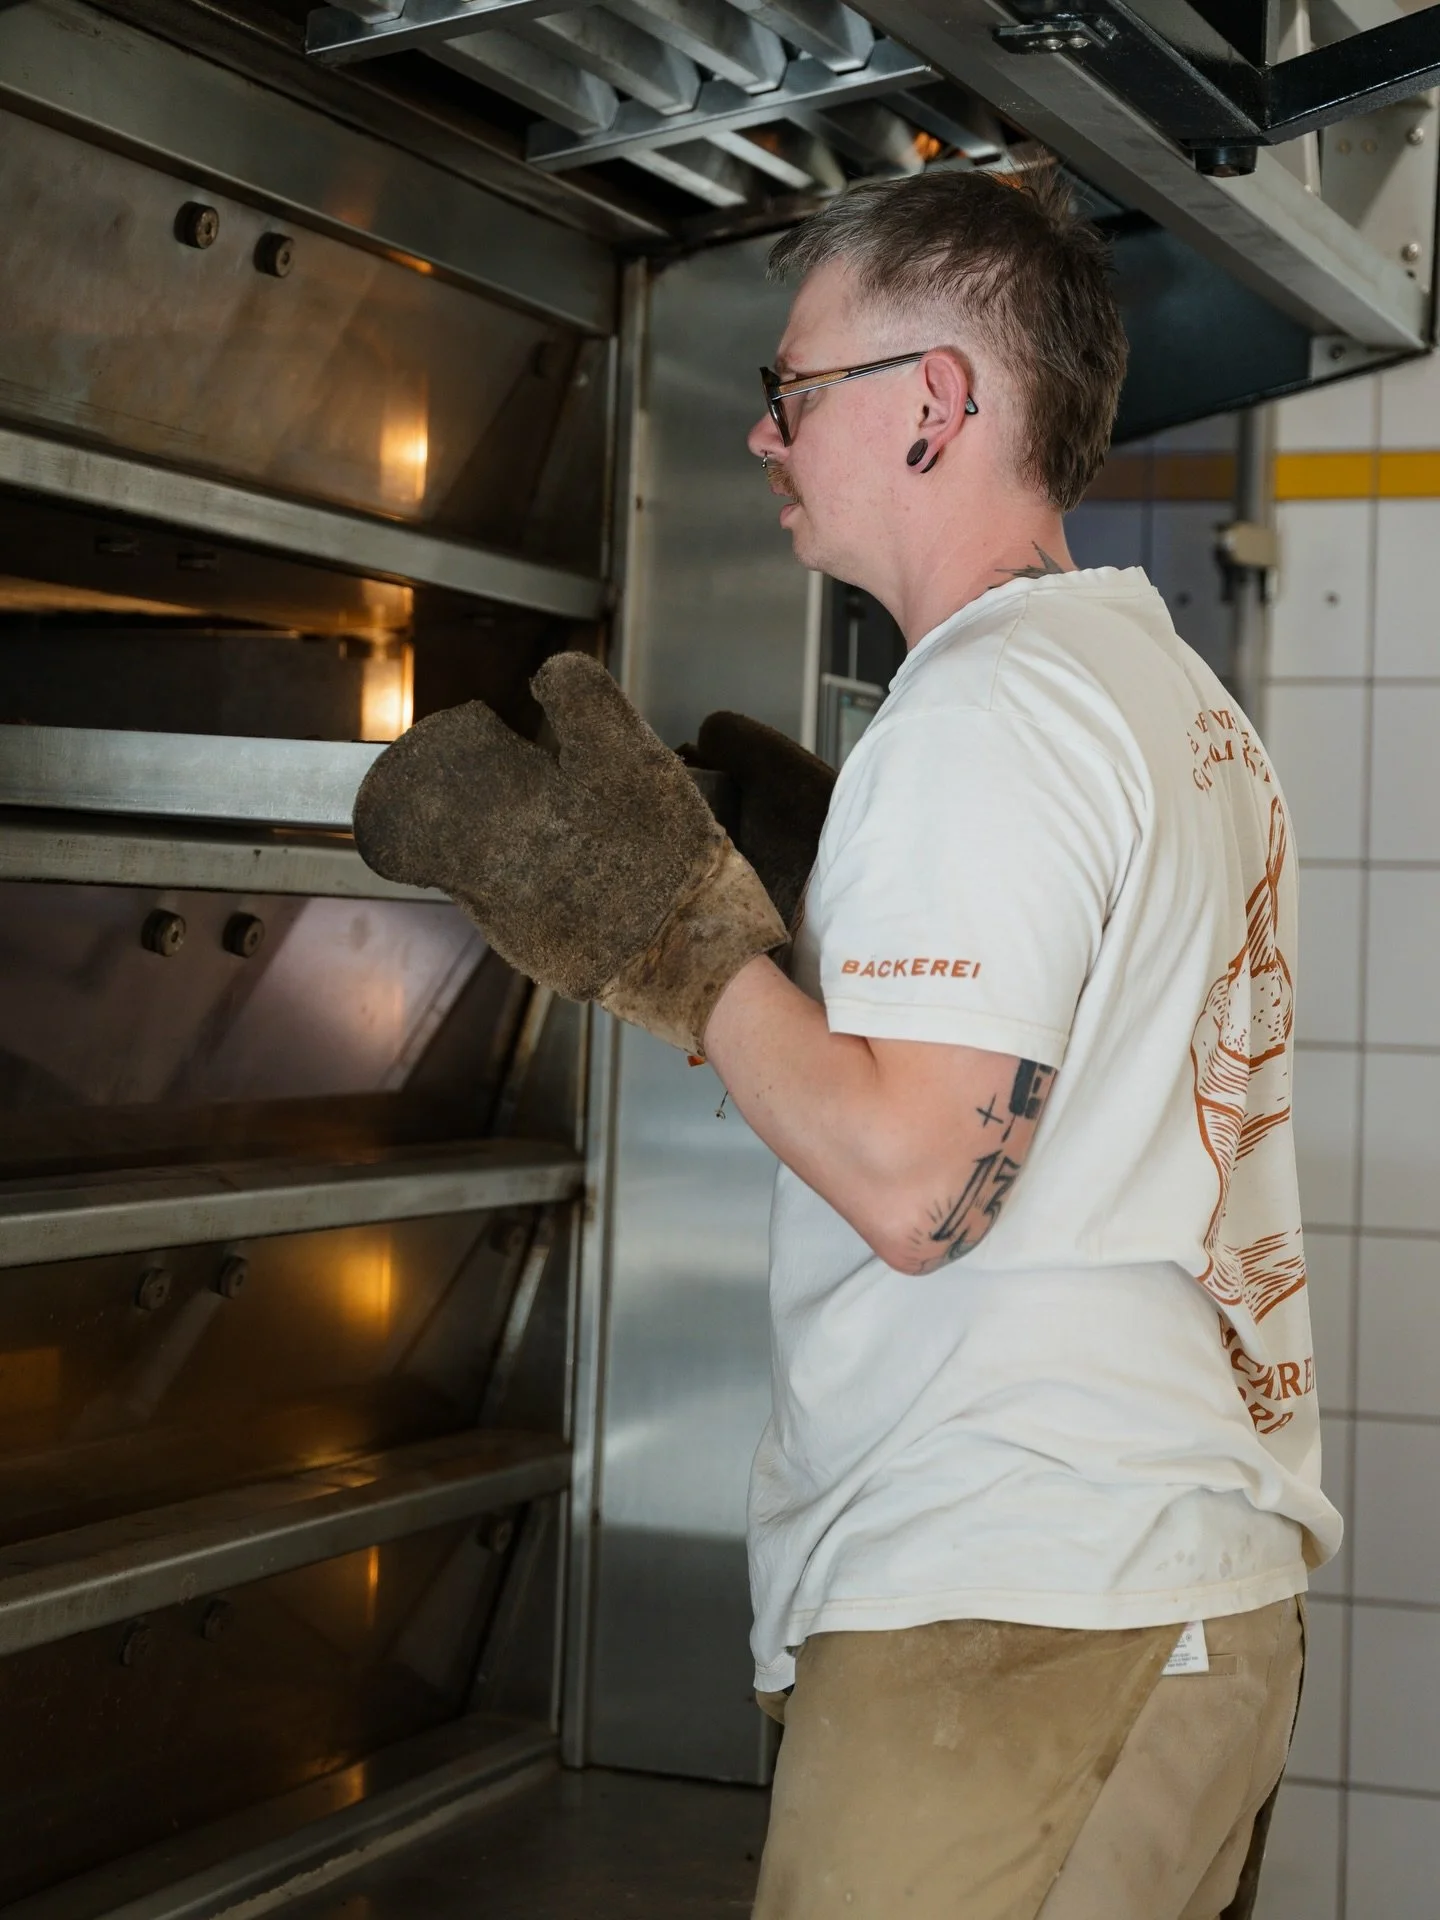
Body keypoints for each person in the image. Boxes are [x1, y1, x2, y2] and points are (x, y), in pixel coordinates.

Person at [352, 168, 1342, 1920]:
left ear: (935, 406)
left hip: (1016, 1607)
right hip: (1165, 1591)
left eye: (796, 393)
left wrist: (678, 941)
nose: (764, 437)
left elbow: (922, 1181)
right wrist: (820, 948)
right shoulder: (1164, 697)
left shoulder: (988, 714)